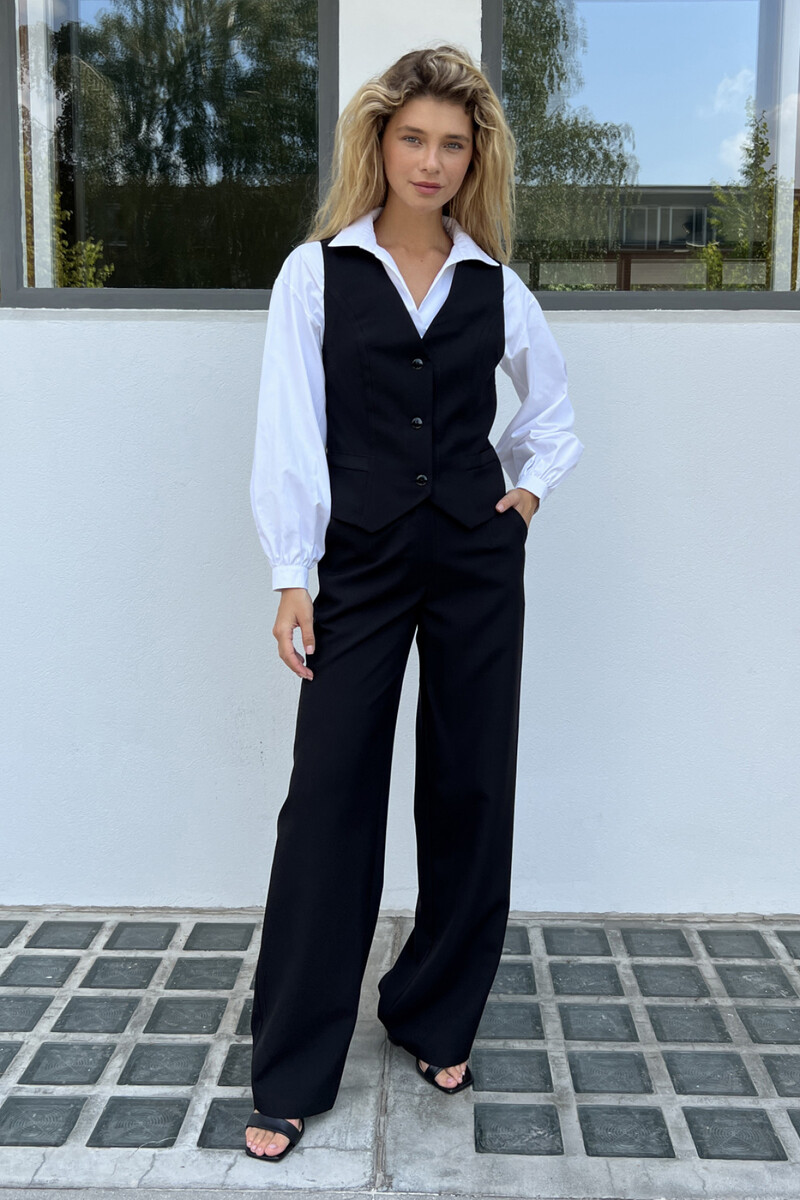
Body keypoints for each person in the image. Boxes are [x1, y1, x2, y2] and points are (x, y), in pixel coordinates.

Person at [245, 43, 584, 1163]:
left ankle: (434, 1011)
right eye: (412, 139)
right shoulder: (317, 274)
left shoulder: (495, 283)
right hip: (361, 559)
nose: (431, 162)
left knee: (470, 785)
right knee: (329, 796)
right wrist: (291, 572)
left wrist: (522, 497)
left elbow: (550, 414)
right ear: (378, 145)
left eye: (452, 144)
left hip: (476, 559)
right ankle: (294, 1064)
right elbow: (290, 428)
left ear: (473, 158)